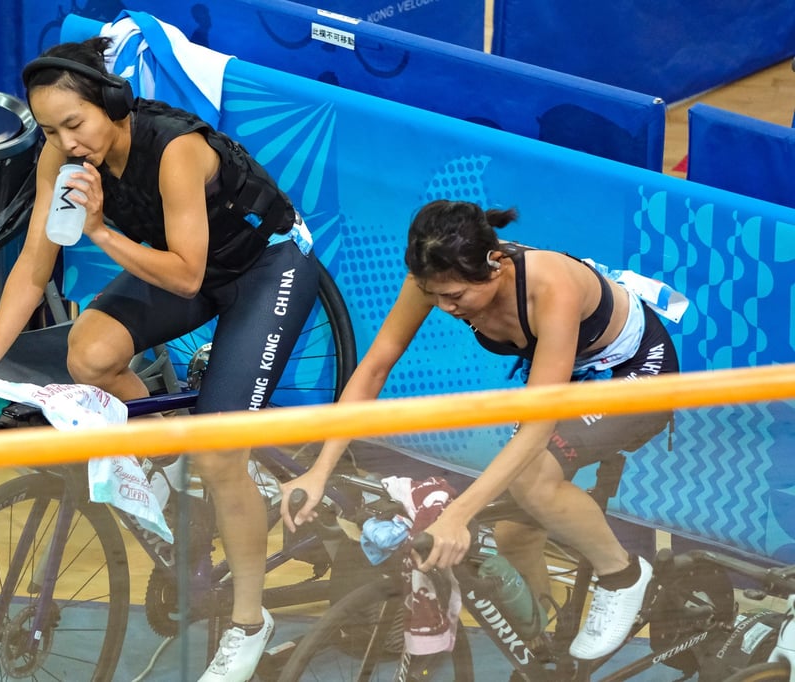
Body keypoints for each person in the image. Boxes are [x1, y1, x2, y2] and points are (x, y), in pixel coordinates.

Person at [0, 37, 320, 682]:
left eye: (75, 123)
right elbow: (34, 268)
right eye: (50, 130)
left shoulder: (175, 151)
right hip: (190, 268)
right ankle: (173, 471)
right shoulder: (59, 160)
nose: (66, 142)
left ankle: (251, 624)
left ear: (112, 106)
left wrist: (99, 231)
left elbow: (185, 275)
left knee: (222, 450)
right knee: (87, 354)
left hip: (265, 267)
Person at [282, 199, 680, 660]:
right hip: (569, 373)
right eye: (435, 296)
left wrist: (458, 515)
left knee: (533, 479)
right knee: (515, 536)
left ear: (494, 266)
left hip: (632, 372)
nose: (445, 307)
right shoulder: (433, 276)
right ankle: (542, 655)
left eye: (455, 297)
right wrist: (320, 468)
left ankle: (623, 575)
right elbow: (374, 368)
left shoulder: (551, 286)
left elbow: (536, 428)